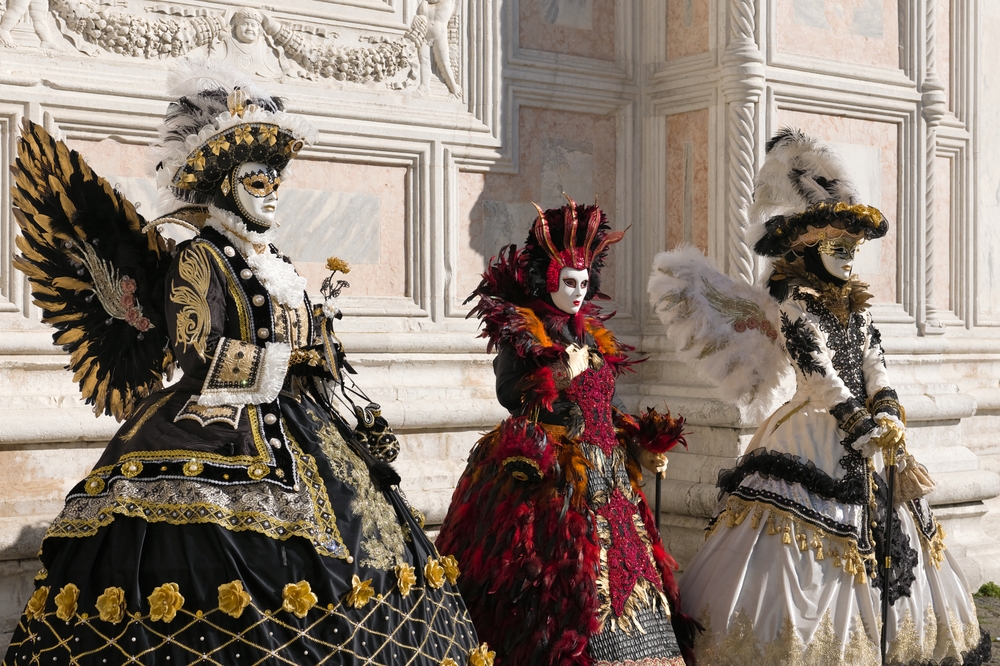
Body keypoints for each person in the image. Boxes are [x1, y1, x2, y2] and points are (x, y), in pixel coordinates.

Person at [2, 61, 489, 665]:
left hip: (303, 425)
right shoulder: (197, 259)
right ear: (226, 183)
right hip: (216, 425)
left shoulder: (274, 259)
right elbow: (199, 356)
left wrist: (323, 352)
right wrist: (288, 357)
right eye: (258, 182)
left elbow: (305, 335)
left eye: (276, 181)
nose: (273, 192)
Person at [649, 129, 992, 665]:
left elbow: (874, 362)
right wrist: (855, 418)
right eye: (838, 248)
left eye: (853, 250)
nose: (849, 258)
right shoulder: (793, 305)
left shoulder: (858, 306)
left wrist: (886, 406)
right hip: (818, 427)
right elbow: (817, 372)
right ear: (809, 248)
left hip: (873, 433)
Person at [436, 198, 697, 666]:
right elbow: (511, 393)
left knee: (630, 571)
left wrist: (639, 441)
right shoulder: (525, 327)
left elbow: (603, 405)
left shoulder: (595, 334)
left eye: (584, 283)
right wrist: (559, 371)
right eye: (568, 283)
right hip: (550, 479)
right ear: (549, 279)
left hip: (609, 474)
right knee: (556, 587)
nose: (578, 293)